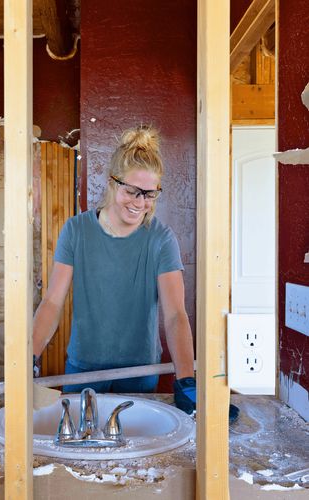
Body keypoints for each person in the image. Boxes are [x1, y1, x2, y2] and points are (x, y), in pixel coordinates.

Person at [33, 125, 238, 422]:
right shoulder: (76, 230)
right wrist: (29, 357)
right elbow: (52, 302)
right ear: (112, 182)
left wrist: (186, 379)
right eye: (132, 191)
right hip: (84, 369)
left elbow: (175, 315)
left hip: (141, 370)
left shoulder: (160, 239)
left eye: (149, 194)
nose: (140, 203)